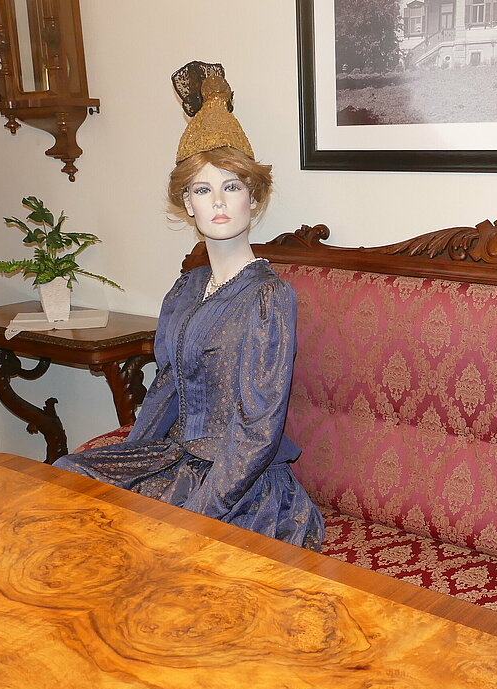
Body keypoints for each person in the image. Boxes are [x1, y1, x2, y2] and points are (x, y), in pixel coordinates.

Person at [55, 62, 324, 550]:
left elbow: (258, 429)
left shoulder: (268, 297)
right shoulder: (185, 288)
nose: (218, 202)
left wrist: (201, 511)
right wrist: (132, 462)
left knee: (159, 543)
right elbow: (165, 388)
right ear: (187, 203)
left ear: (253, 198)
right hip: (178, 458)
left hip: (240, 482)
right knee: (71, 476)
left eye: (232, 186)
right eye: (203, 189)